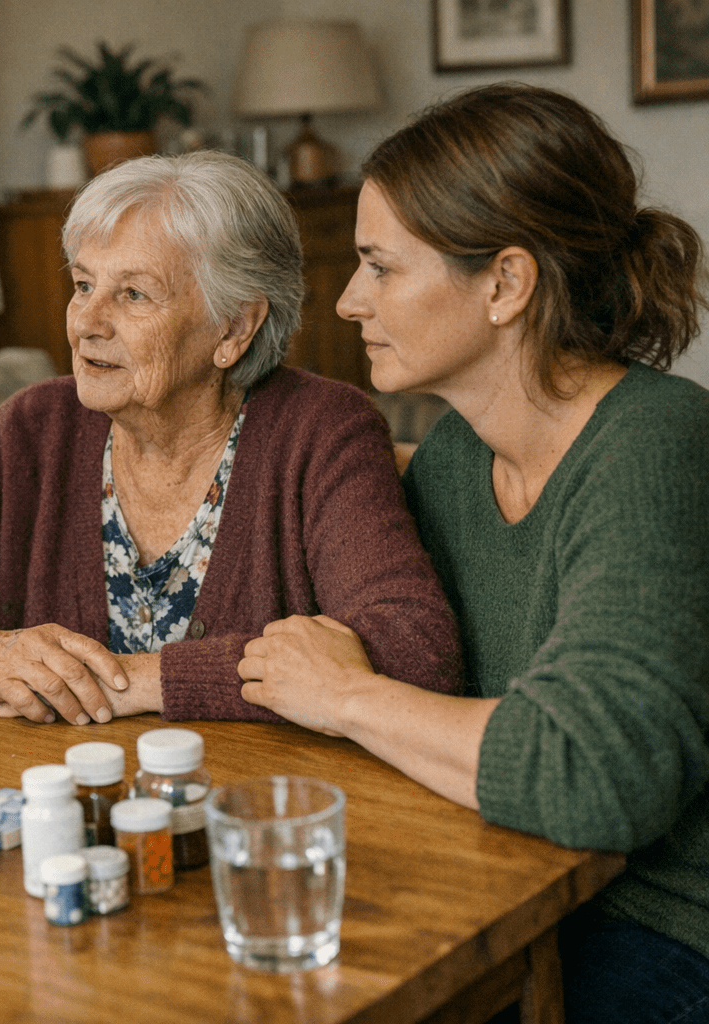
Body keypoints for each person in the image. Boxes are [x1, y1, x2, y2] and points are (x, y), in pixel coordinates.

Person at [237, 84, 709, 1022]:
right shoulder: (457, 456)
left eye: (379, 266)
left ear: (505, 283)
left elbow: (592, 773)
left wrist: (344, 696)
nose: (346, 298)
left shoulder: (659, 442)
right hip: (497, 881)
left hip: (659, 931)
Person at [0, 151, 461, 724]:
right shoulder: (36, 430)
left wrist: (133, 680)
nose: (87, 323)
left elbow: (410, 649)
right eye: (82, 285)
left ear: (233, 328)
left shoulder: (321, 431)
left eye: (133, 294)